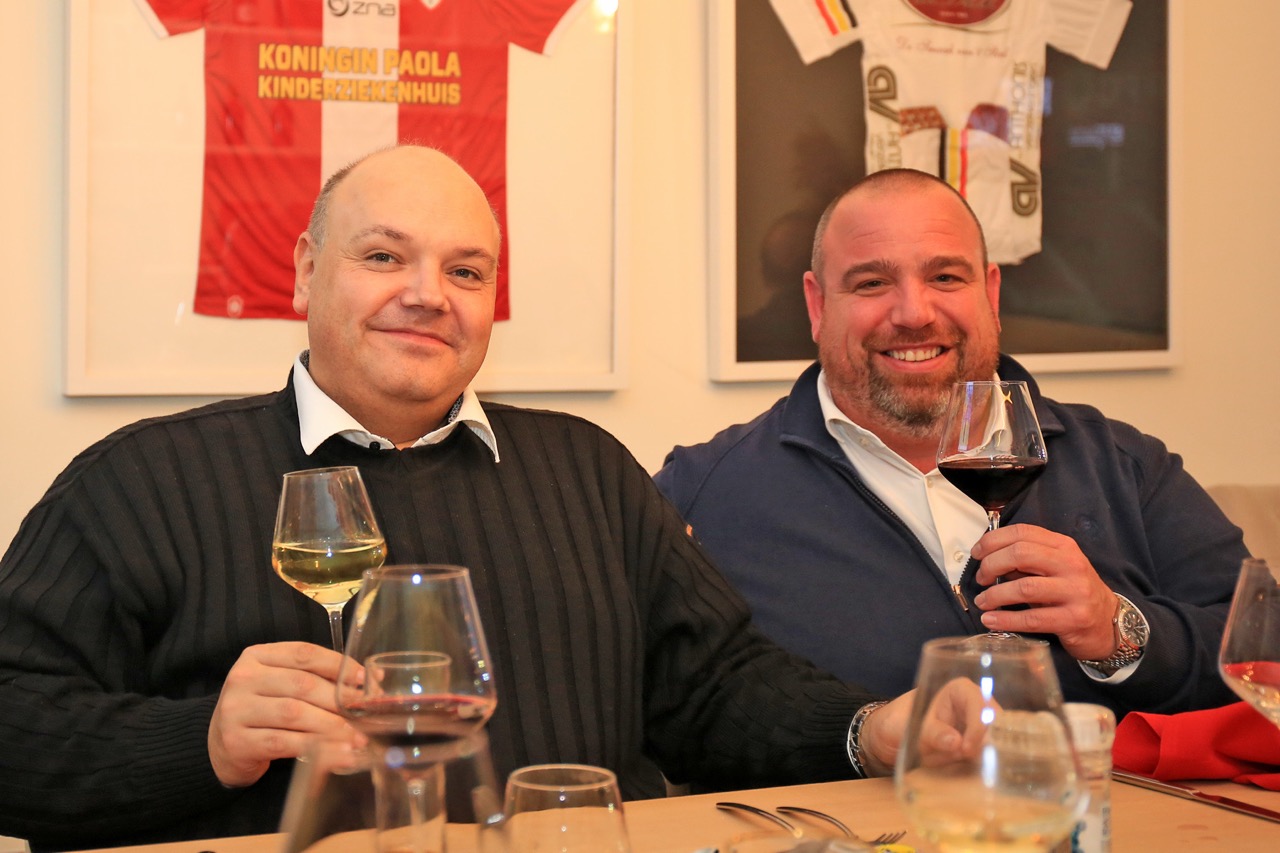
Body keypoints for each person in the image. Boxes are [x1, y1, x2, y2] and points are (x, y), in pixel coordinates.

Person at [0, 148, 956, 851]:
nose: (429, 294)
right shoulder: (139, 482)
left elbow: (713, 687)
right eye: (384, 257)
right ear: (305, 270)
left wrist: (868, 729)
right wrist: (200, 739)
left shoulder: (588, 469)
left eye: (465, 271)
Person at [655, 168, 1245, 720]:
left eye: (945, 277)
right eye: (872, 282)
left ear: (991, 292)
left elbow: (1259, 653)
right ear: (817, 305)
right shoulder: (702, 492)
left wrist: (1118, 631)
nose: (914, 313)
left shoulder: (1123, 465)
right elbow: (669, 709)